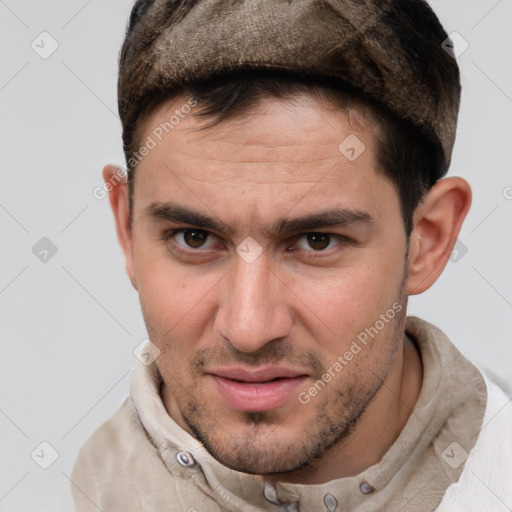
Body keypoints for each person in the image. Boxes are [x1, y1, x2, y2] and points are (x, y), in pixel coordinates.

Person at [70, 1, 512, 510]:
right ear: (126, 228)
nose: (249, 328)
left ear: (428, 240)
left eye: (316, 241)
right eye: (193, 237)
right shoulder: (95, 483)